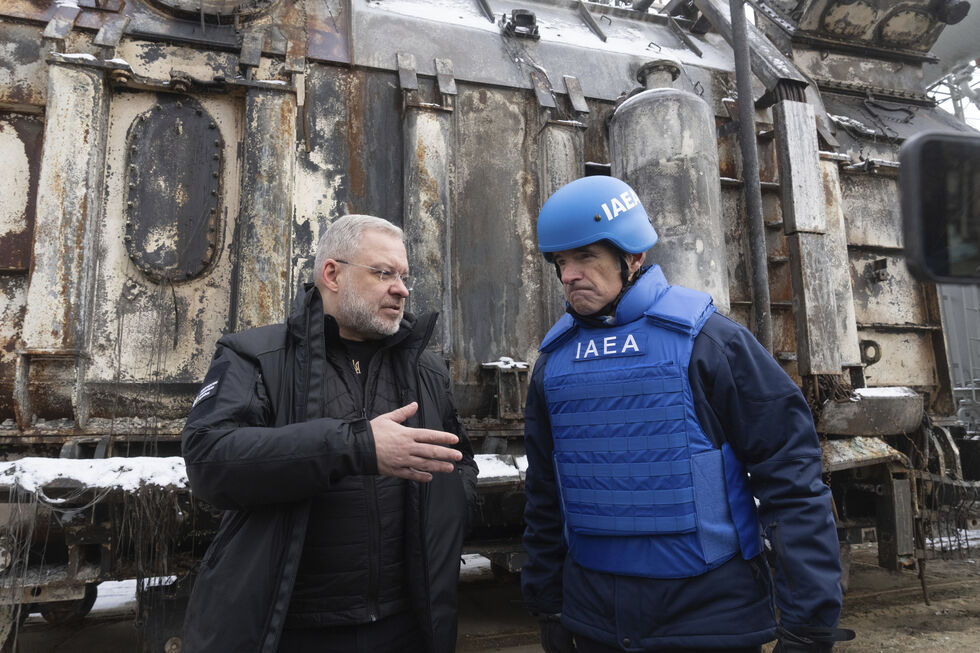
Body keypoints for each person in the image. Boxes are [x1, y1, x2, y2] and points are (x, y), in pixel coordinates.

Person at [521, 176, 852, 653]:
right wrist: (549, 601)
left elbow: (792, 482)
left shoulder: (712, 344)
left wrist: (809, 624)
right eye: (560, 261)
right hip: (594, 621)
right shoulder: (555, 363)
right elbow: (546, 494)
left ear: (632, 257)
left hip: (709, 620)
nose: (568, 274)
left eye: (585, 256)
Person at [181, 214, 478, 653]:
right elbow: (210, 458)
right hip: (291, 628)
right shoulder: (256, 356)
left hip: (406, 627)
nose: (401, 288)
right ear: (332, 274)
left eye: (404, 276)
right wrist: (353, 445)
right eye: (383, 273)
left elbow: (460, 465)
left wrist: (450, 515)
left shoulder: (425, 370)